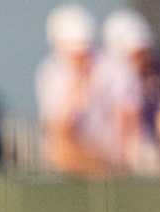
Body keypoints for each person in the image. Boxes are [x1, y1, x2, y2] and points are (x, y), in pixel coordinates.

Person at [91, 8, 160, 173]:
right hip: (116, 162)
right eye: (136, 53)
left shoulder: (155, 79)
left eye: (142, 52)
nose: (142, 59)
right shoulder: (113, 76)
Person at [37, 5, 102, 174]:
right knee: (60, 151)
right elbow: (59, 128)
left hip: (108, 153)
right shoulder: (51, 74)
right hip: (78, 156)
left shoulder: (110, 69)